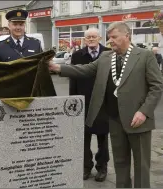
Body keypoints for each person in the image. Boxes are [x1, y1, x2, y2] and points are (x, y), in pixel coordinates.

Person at [49, 21, 163, 188]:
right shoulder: (105, 57)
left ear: (127, 36)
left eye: (115, 37)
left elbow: (156, 86)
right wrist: (58, 68)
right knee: (120, 163)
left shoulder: (145, 56)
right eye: (109, 38)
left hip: (138, 120)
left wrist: (144, 111)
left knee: (141, 165)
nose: (111, 41)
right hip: (115, 119)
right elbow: (85, 69)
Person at [69, 28, 111, 182]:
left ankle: (102, 167)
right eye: (88, 37)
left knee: (103, 139)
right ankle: (86, 167)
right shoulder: (77, 55)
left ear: (100, 38)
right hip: (83, 102)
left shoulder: (109, 53)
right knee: (84, 138)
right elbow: (73, 77)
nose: (91, 39)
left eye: (94, 36)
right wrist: (73, 100)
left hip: (103, 104)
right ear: (85, 40)